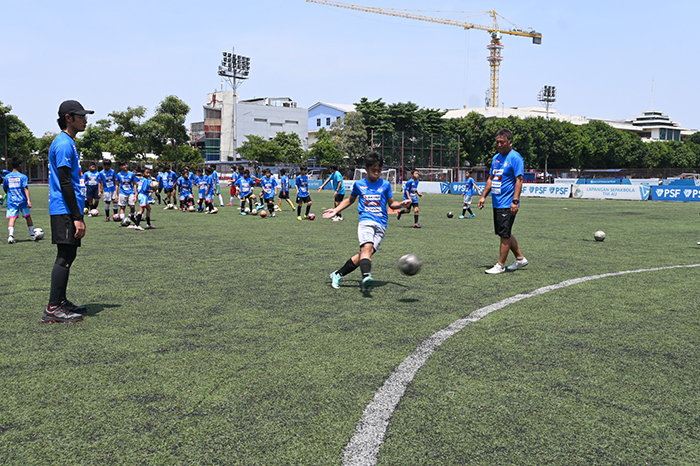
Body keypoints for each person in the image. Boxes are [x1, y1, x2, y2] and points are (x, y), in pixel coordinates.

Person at [324, 152, 411, 293]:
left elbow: (391, 204)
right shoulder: (359, 184)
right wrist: (336, 210)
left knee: (366, 255)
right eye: (373, 170)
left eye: (379, 170)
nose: (376, 173)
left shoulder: (386, 185)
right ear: (366, 169)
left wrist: (401, 204)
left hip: (381, 224)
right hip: (366, 221)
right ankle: (366, 277)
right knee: (366, 250)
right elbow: (350, 200)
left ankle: (337, 274)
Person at [43, 100, 93, 324]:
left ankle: (60, 301)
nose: (85, 120)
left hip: (66, 208)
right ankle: (53, 308)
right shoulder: (63, 143)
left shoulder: (69, 142)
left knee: (69, 254)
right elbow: (65, 183)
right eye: (81, 116)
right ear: (68, 118)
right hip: (64, 209)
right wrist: (77, 217)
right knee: (64, 255)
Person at [478, 128, 528, 274]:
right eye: (497, 142)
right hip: (497, 202)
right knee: (503, 232)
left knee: (504, 234)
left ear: (510, 143)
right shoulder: (496, 158)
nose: (499, 145)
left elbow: (519, 180)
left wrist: (515, 201)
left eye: (502, 142)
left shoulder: (515, 158)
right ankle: (520, 259)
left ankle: (500, 265)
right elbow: (490, 179)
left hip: (507, 203)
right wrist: (483, 196)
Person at [4, 156, 35, 243]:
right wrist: (29, 200)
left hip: (12, 201)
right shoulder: (23, 177)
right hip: (23, 200)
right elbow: (25, 188)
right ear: (20, 165)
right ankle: (32, 235)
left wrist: (9, 195)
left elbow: (5, 188)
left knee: (12, 218)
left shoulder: (7, 177)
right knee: (28, 216)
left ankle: (10, 236)